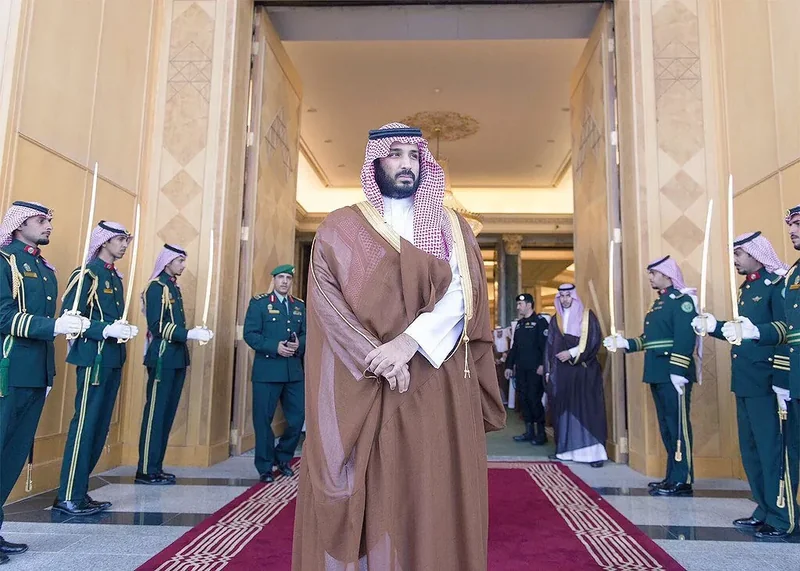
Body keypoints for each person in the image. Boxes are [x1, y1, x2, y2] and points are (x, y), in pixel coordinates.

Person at [292, 123, 505, 571]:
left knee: (430, 482)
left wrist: (407, 344)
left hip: (434, 376)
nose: (407, 163)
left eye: (414, 154)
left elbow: (463, 295)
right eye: (396, 154)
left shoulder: (450, 225)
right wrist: (378, 356)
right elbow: (327, 301)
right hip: (366, 379)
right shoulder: (341, 227)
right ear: (375, 161)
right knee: (372, 482)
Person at [0, 201, 89, 562]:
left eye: (50, 219)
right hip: (8, 371)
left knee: (12, 456)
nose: (48, 225)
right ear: (19, 224)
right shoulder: (4, 261)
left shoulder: (44, 268)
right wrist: (53, 326)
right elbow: (4, 316)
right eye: (40, 220)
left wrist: (48, 372)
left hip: (35, 373)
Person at [692, 231, 796, 538]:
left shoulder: (777, 285)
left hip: (769, 381)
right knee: (751, 451)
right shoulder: (747, 288)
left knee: (772, 451)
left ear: (755, 253)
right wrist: (714, 327)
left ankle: (782, 516)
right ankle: (764, 508)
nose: (734, 260)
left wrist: (782, 378)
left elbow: (787, 332)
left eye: (738, 253)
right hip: (746, 380)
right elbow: (743, 331)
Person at [54, 221, 140, 515]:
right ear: (104, 242)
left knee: (99, 428)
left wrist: (122, 330)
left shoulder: (114, 277)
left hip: (112, 358)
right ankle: (68, 494)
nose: (125, 245)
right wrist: (105, 329)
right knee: (85, 425)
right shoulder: (86, 274)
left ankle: (79, 490)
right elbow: (71, 317)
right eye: (120, 240)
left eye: (126, 240)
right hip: (93, 359)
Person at [604, 255, 698, 497]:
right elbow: (649, 340)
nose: (650, 278)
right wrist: (625, 343)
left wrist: (678, 371)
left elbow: (685, 338)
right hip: (657, 371)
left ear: (667, 275)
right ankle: (672, 476)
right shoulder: (658, 304)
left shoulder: (682, 301)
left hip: (673, 373)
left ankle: (683, 479)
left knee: (678, 427)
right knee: (667, 427)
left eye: (654, 273)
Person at [136, 244, 213, 485]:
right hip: (162, 357)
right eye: (180, 261)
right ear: (168, 261)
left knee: (167, 414)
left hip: (176, 357)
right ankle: (145, 469)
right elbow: (157, 326)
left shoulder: (172, 287)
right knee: (156, 414)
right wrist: (188, 334)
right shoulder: (156, 287)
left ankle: (156, 467)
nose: (183, 265)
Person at [243, 263, 306, 483]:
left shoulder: (299, 306)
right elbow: (250, 334)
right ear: (274, 280)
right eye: (281, 277)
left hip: (292, 372)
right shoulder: (260, 303)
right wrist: (274, 346)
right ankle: (265, 466)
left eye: (288, 278)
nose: (285, 282)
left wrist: (299, 344)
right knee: (263, 421)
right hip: (267, 371)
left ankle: (283, 457)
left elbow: (307, 334)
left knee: (298, 419)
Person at [545, 284, 607, 467]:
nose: (565, 299)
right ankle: (566, 451)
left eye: (568, 295)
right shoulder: (556, 319)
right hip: (564, 373)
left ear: (573, 296)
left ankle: (594, 455)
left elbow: (593, 341)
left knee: (587, 410)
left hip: (585, 371)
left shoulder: (587, 316)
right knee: (565, 410)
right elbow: (550, 347)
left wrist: (571, 353)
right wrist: (549, 370)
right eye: (562, 296)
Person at [504, 293, 549, 445]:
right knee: (523, 399)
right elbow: (515, 347)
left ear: (529, 305)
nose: (518, 307)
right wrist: (509, 366)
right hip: (521, 370)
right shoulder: (520, 324)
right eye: (517, 304)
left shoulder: (540, 322)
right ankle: (529, 432)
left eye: (520, 304)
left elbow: (546, 347)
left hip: (535, 370)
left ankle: (541, 434)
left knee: (534, 399)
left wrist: (543, 365)